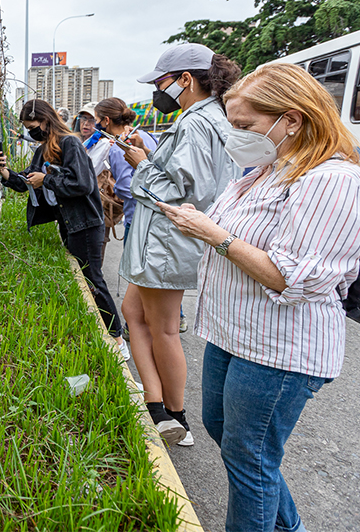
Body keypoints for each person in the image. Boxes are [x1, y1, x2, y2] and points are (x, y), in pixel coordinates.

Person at [157, 62, 360, 532]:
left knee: (250, 460)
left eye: (245, 126)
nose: (235, 135)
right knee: (225, 434)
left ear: (292, 120)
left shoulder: (332, 181)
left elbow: (291, 277)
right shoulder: (264, 170)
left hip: (277, 348)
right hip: (234, 335)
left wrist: (213, 234)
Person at [119, 43, 241, 447]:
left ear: (185, 79)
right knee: (134, 312)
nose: (158, 90)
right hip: (172, 241)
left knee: (165, 330)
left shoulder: (195, 123)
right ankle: (157, 405)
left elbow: (191, 189)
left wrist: (143, 167)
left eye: (161, 82)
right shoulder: (214, 118)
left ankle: (173, 418)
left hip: (169, 240)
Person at [0, 99, 128, 360]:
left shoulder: (70, 143)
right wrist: (6, 172)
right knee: (87, 280)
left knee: (94, 281)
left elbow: (83, 184)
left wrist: (48, 179)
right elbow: (27, 181)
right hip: (70, 224)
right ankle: (107, 333)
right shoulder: (43, 148)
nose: (31, 132)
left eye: (32, 126)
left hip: (86, 223)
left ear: (45, 121)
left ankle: (117, 339)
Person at [93, 97, 158, 236]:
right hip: (157, 215)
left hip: (136, 217)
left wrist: (112, 188)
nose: (96, 124)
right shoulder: (147, 136)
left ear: (106, 120)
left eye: (97, 120)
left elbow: (124, 187)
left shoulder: (118, 147)